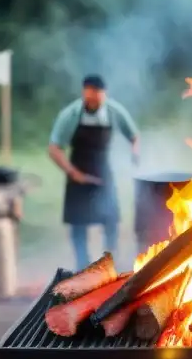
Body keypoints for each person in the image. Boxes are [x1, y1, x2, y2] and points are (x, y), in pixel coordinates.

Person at [48, 74, 140, 270]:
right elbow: (54, 148)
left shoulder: (114, 111)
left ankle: (109, 263)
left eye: (98, 95)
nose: (94, 99)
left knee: (111, 220)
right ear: (84, 93)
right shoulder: (71, 114)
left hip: (103, 172)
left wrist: (134, 152)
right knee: (78, 224)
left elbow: (134, 136)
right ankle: (82, 266)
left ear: (104, 94)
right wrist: (73, 173)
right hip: (77, 172)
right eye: (90, 94)